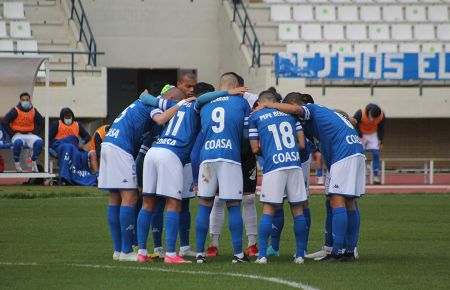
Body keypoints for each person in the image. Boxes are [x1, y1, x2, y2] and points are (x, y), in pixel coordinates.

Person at [137, 85, 247, 263]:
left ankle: (142, 252)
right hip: (171, 153)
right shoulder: (197, 104)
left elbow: (146, 98)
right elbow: (202, 99)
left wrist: (144, 93)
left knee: (147, 203)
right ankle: (171, 254)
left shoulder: (174, 103)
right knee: (174, 204)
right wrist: (227, 92)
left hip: (154, 151)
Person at [255, 95, 365, 262]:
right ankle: (349, 250)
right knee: (349, 201)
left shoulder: (310, 110)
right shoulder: (320, 116)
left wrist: (267, 104)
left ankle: (337, 252)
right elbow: (352, 121)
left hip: (343, 153)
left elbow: (295, 109)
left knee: (337, 199)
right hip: (355, 149)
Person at [98, 88, 186, 262]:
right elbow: (160, 119)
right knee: (130, 197)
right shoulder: (152, 104)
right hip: (120, 147)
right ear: (168, 99)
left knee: (115, 198)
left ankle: (118, 250)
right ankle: (126, 251)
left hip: (108, 143)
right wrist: (181, 105)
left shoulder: (141, 103)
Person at [195, 72, 251, 264]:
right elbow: (245, 136)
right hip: (229, 157)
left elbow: (199, 100)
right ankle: (238, 254)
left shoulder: (204, 104)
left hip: (207, 157)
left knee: (204, 206)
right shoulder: (242, 103)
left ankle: (200, 254)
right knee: (234, 205)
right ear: (236, 86)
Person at [249, 90, 308, 265]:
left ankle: (262, 256)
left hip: (274, 165)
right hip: (294, 164)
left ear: (260, 102)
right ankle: (299, 255)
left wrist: (267, 151)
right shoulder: (290, 115)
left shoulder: (256, 116)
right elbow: (302, 145)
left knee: (269, 209)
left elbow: (253, 149)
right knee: (297, 210)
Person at [205, 72, 259, 257]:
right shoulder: (212, 99)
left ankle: (252, 244)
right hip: (225, 152)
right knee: (219, 199)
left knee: (248, 198)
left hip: (238, 153)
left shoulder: (251, 99)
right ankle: (213, 243)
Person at [2, 92, 44, 172]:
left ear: (30, 101)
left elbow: (41, 122)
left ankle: (33, 161)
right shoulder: (15, 110)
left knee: (39, 143)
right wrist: (12, 134)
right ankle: (17, 164)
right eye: (23, 100)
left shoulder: (33, 110)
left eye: (27, 100)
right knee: (17, 143)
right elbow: (5, 122)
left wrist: (36, 133)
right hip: (18, 134)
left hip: (29, 134)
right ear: (20, 101)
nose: (25, 101)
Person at [353, 104, 385, 184]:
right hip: (361, 134)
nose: (373, 119)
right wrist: (360, 136)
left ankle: (376, 176)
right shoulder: (360, 113)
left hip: (373, 135)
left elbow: (381, 128)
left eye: (375, 118)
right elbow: (354, 125)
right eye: (372, 117)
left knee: (376, 153)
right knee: (361, 153)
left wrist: (380, 140)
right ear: (369, 112)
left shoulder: (381, 116)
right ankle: (363, 173)